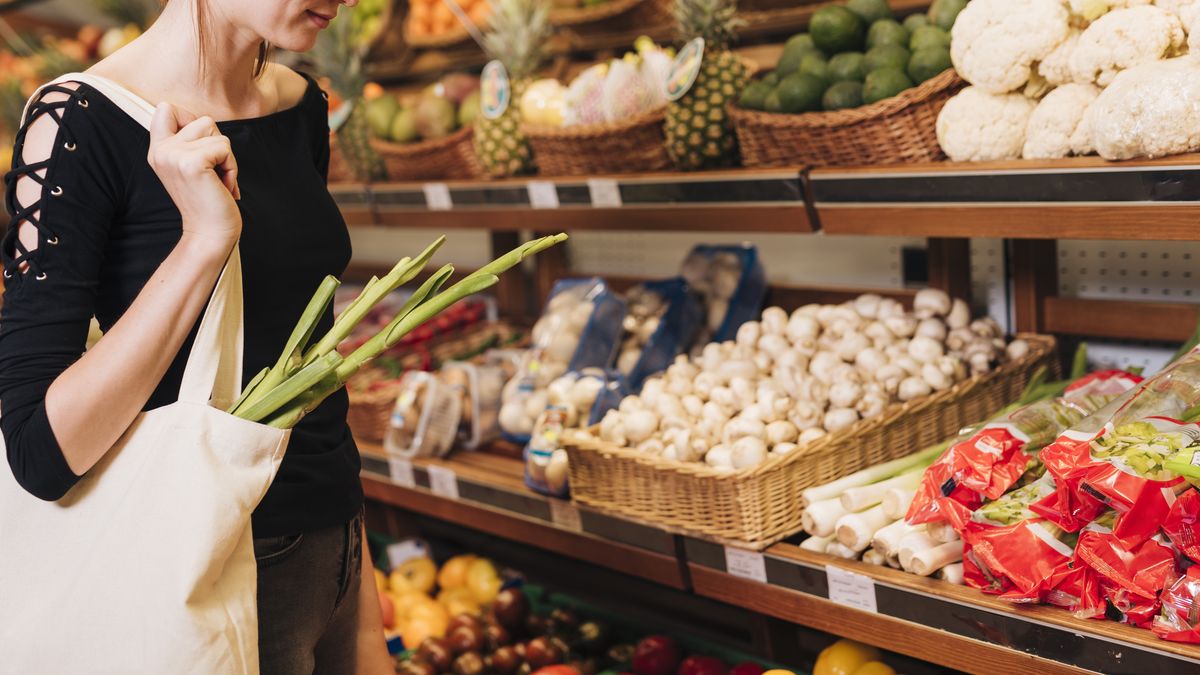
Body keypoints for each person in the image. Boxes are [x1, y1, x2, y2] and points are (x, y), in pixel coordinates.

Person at [0, 0, 392, 671]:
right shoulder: (76, 119)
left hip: (338, 549)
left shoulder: (301, 107)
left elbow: (303, 361)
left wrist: (360, 606)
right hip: (206, 577)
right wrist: (205, 240)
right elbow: (42, 450)